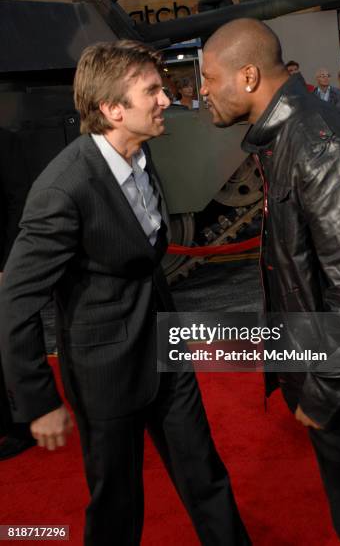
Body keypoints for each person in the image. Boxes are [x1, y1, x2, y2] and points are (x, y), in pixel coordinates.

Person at [0, 41, 250, 546]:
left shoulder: (140, 154)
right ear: (113, 109)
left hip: (166, 350)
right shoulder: (62, 189)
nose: (166, 98)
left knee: (205, 476)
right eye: (152, 90)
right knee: (117, 507)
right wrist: (38, 402)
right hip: (105, 373)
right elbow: (15, 304)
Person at [200, 17, 340, 546]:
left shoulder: (316, 142)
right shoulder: (288, 135)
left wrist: (321, 396)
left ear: (247, 76)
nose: (200, 92)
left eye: (207, 78)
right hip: (339, 372)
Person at [0, 128, 36, 459]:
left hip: (2, 262)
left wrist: (8, 262)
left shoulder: (6, 141)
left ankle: (22, 424)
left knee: (12, 345)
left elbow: (18, 201)